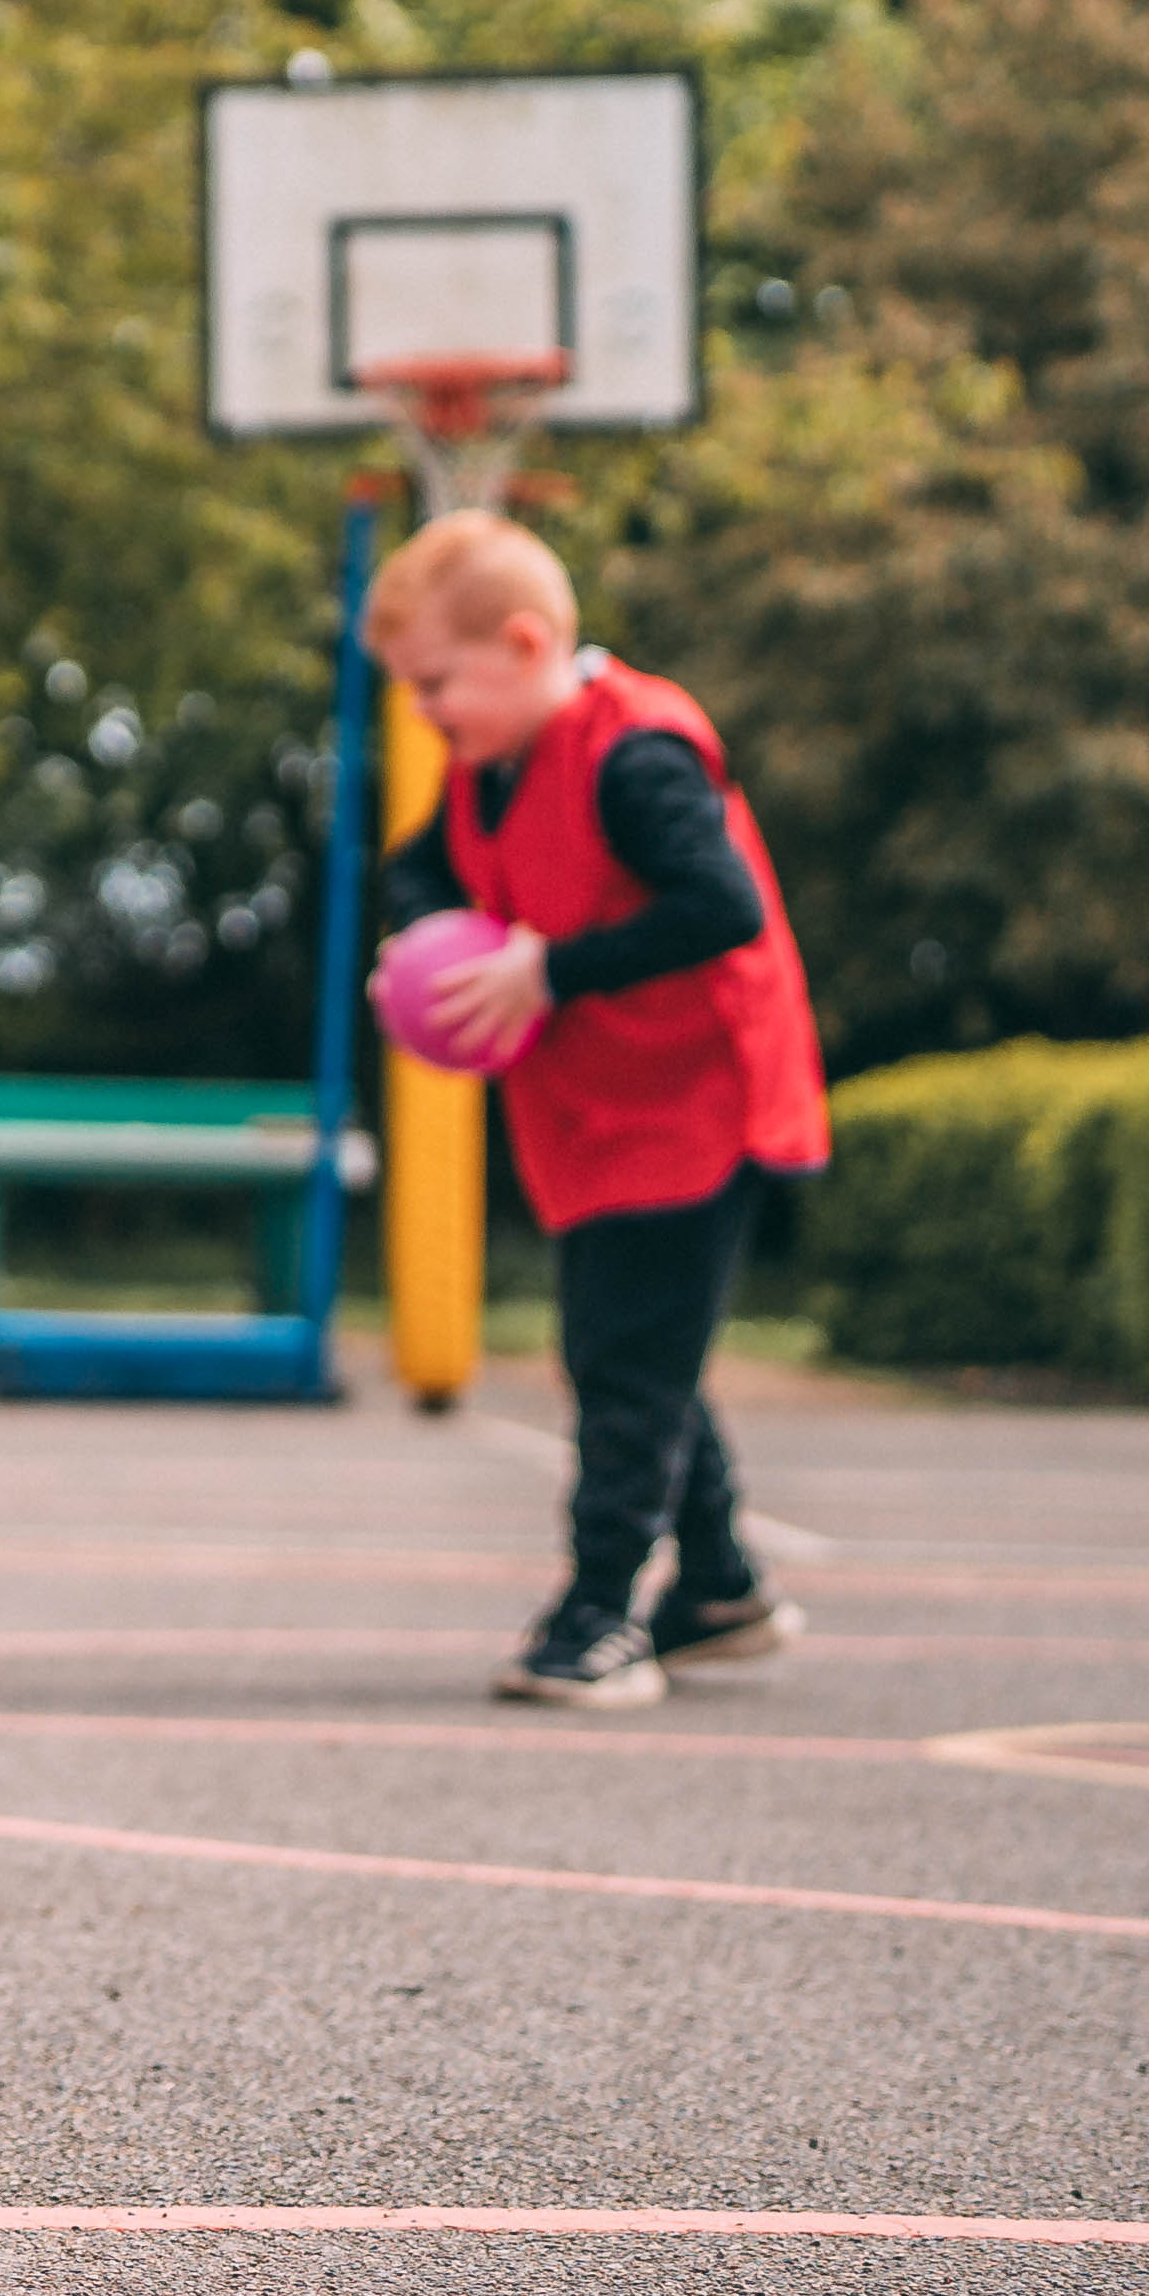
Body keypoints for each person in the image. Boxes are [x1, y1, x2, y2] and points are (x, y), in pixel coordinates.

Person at [364, 509, 833, 1715]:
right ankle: (717, 1586)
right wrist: (420, 943)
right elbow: (415, 866)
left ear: (521, 647)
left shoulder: (637, 758)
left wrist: (546, 970)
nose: (420, 715)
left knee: (622, 1364)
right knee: (636, 1355)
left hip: (696, 1101)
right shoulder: (488, 769)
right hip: (598, 1106)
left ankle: (596, 1615)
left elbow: (718, 907)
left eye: (432, 684)